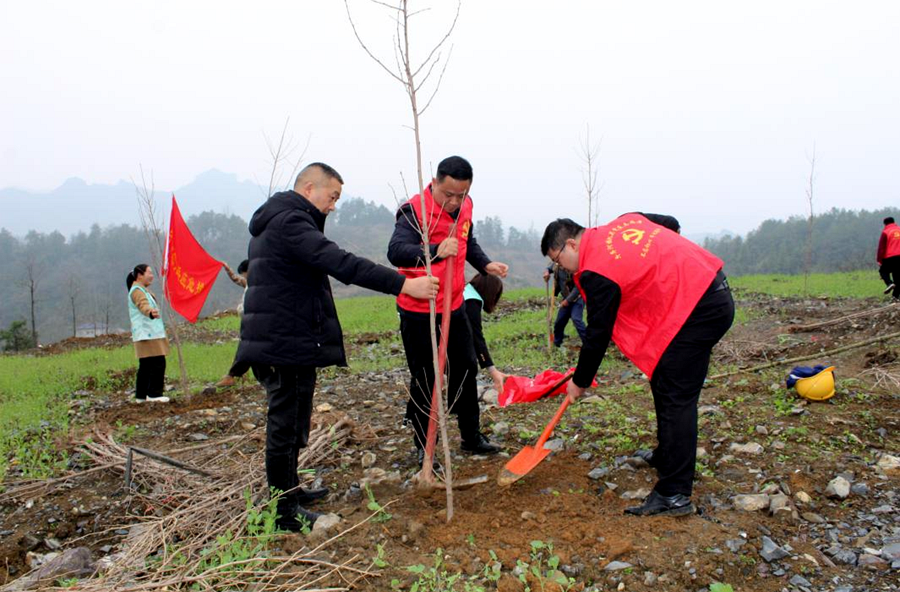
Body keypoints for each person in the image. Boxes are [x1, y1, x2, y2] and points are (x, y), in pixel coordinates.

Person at [235, 163, 438, 532]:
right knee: (284, 423)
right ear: (310, 188)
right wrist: (403, 285)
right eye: (332, 197)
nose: (333, 205)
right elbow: (341, 263)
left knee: (295, 418)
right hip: (283, 341)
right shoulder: (290, 223)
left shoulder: (283, 219)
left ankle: (291, 491)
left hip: (289, 338)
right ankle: (283, 511)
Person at [541, 214, 734, 517]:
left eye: (559, 260)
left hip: (698, 307)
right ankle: (666, 454)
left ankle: (674, 493)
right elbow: (669, 223)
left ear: (570, 243)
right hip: (705, 289)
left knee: (676, 395)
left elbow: (598, 333)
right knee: (663, 378)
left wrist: (579, 381)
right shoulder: (624, 222)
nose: (561, 268)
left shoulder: (595, 269)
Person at [387, 156, 509, 466]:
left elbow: (469, 240)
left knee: (466, 367)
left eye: (462, 195)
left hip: (453, 304)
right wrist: (433, 250)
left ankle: (470, 436)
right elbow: (396, 251)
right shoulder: (413, 211)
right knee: (426, 376)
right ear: (435, 182)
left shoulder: (466, 207)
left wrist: (484, 264)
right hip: (419, 309)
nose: (454, 202)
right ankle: (424, 447)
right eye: (448, 194)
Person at [126, 264, 170, 404]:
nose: (151, 275)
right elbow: (143, 305)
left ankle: (141, 396)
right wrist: (150, 312)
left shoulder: (140, 290)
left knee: (145, 365)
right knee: (157, 363)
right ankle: (154, 394)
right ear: (140, 275)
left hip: (146, 334)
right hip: (148, 334)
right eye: (149, 273)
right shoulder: (137, 291)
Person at [464, 273, 507, 393]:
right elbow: (476, 337)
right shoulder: (471, 301)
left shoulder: (465, 291)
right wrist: (492, 370)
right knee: (467, 364)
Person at [216, 259, 249, 388]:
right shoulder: (249, 282)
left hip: (256, 321)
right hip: (249, 320)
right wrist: (228, 270)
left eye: (244, 274)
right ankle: (233, 375)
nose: (242, 277)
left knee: (246, 347)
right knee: (248, 348)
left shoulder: (260, 281)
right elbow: (237, 279)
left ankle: (232, 375)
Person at [543, 264, 586, 347]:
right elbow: (548, 268)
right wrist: (546, 272)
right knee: (559, 321)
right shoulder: (557, 265)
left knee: (576, 319)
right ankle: (557, 342)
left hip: (578, 298)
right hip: (566, 298)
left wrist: (567, 300)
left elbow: (578, 287)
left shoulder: (574, 267)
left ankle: (588, 342)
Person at [877, 216, 900, 301]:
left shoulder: (886, 232)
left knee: (883, 271)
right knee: (898, 277)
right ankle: (895, 297)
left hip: (890, 257)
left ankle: (889, 283)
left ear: (885, 224)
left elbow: (881, 248)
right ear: (894, 222)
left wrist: (879, 260)